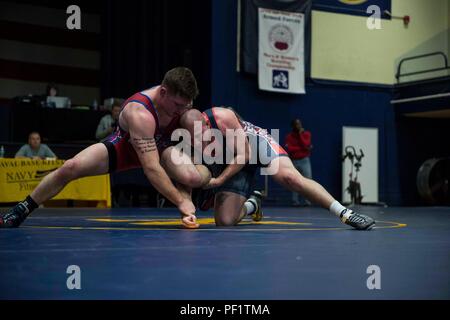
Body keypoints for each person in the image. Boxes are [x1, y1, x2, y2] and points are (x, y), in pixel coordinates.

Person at [0, 67, 210, 229]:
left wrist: (186, 202)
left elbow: (184, 145)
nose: (181, 110)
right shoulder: (140, 113)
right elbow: (151, 169)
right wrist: (180, 202)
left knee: (191, 175)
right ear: (163, 92)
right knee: (70, 167)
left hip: (163, 146)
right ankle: (22, 208)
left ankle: (211, 177)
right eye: (177, 105)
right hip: (125, 148)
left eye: (187, 104)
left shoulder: (183, 107)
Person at [180, 107, 375, 230]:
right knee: (225, 222)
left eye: (202, 134)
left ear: (206, 122)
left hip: (253, 146)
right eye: (194, 137)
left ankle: (344, 213)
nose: (200, 140)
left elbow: (245, 154)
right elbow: (191, 175)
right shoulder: (191, 141)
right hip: (234, 162)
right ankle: (252, 204)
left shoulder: (222, 116)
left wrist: (220, 180)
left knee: (291, 178)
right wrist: (189, 208)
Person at [285, 119, 312, 206]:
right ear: (293, 126)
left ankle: (307, 201)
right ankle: (295, 201)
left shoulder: (306, 134)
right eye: (297, 124)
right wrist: (303, 149)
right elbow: (290, 149)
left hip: (305, 160)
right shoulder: (289, 136)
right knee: (294, 181)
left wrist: (300, 135)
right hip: (293, 161)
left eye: (299, 124)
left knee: (308, 180)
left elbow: (306, 144)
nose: (299, 125)